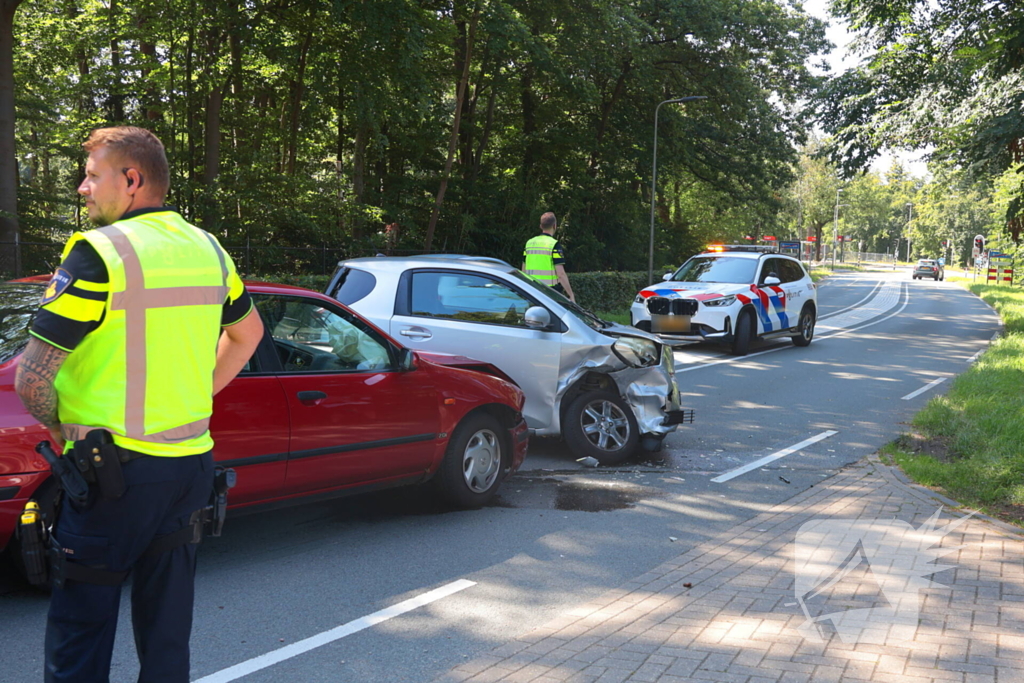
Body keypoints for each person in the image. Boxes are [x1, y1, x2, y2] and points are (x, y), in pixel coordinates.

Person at [14, 126, 264, 683]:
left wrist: (61, 431)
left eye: (93, 175)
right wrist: (197, 395)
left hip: (112, 476)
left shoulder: (99, 253)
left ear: (132, 180)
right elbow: (248, 335)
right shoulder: (209, 248)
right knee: (167, 633)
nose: (83, 187)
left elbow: (31, 380)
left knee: (81, 632)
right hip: (189, 467)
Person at [522, 211, 575, 302]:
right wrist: (571, 295)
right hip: (550, 293)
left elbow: (523, 270)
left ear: (541, 226)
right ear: (554, 226)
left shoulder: (529, 243)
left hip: (532, 291)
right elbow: (561, 274)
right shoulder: (553, 244)